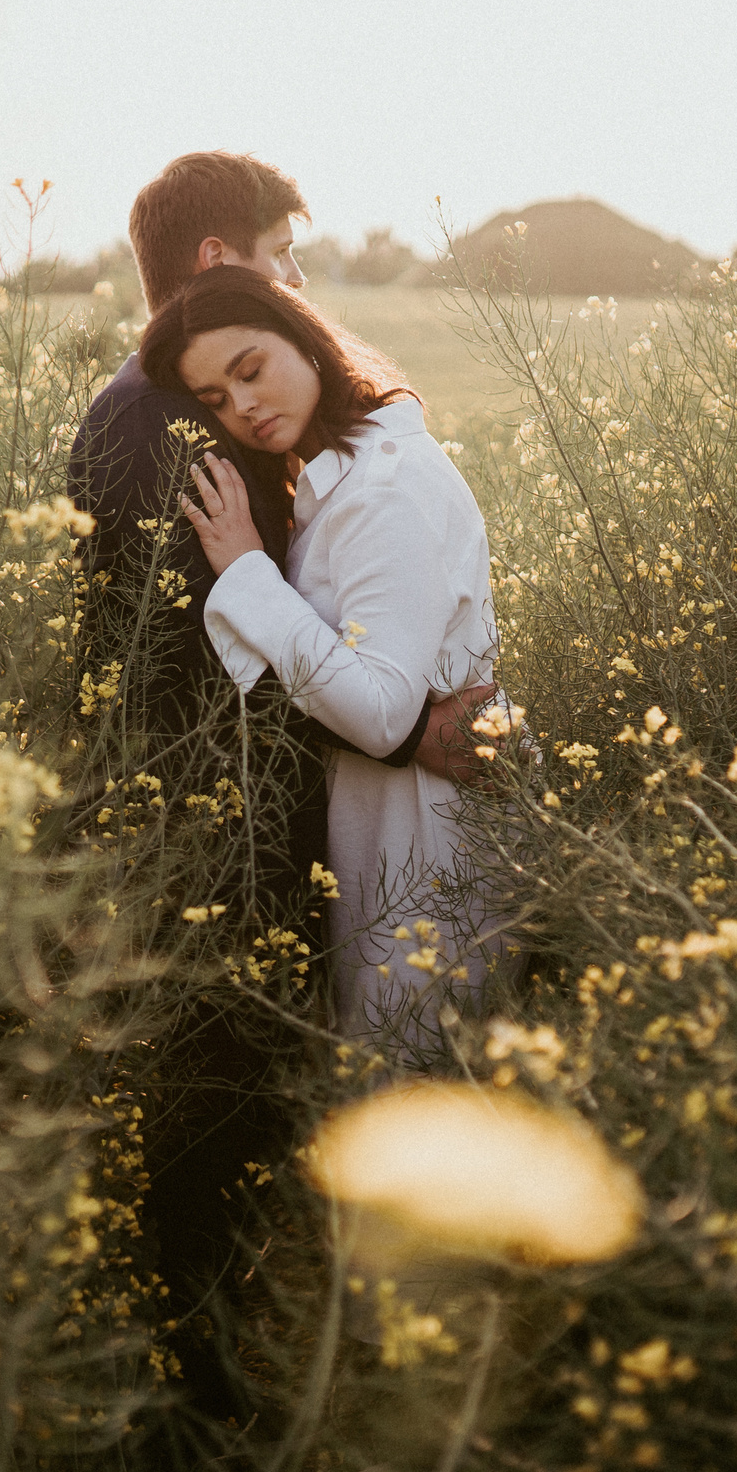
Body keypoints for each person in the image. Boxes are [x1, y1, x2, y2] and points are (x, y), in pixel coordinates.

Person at [62, 153, 489, 1427]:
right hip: (212, 837)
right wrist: (409, 729)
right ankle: (217, 1402)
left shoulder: (164, 409)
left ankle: (304, 1376)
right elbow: (207, 667)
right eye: (283, 256)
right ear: (220, 263)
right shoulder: (164, 427)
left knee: (307, 1095)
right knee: (220, 1110)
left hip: (252, 827)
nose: (298, 282)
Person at [145, 265, 501, 1044]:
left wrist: (247, 571)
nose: (242, 406)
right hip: (387, 823)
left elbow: (381, 712)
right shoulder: (342, 476)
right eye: (215, 399)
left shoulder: (382, 488)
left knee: (417, 1070)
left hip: (423, 835)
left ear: (304, 338)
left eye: (250, 370)